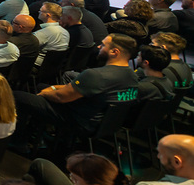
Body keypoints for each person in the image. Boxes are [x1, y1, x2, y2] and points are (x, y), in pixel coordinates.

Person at [12, 34, 140, 135]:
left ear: (114, 52)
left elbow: (60, 97)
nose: (99, 47)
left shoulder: (96, 75)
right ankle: (34, 131)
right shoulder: (133, 77)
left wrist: (46, 94)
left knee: (17, 96)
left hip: (79, 121)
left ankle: (20, 139)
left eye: (103, 45)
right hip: (104, 123)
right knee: (42, 87)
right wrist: (51, 88)